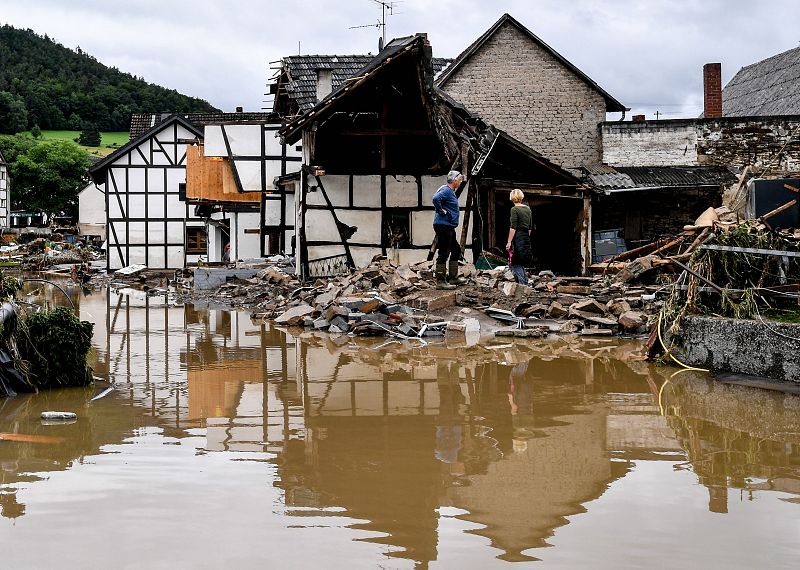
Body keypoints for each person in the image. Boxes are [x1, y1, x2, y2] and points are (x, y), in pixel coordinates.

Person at [432, 170, 466, 289]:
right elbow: (435, 198)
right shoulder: (446, 190)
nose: (460, 182)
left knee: (456, 250)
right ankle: (440, 281)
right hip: (443, 225)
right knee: (444, 252)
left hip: (448, 226)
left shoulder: (450, 191)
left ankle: (453, 277)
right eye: (459, 180)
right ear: (454, 180)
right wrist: (441, 211)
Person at [505, 189, 532, 284]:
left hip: (517, 236)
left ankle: (522, 284)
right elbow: (530, 227)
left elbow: (513, 227)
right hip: (525, 236)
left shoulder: (514, 209)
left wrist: (509, 241)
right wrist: (526, 238)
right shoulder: (528, 209)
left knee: (514, 262)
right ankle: (525, 282)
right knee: (521, 260)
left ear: (512, 198)